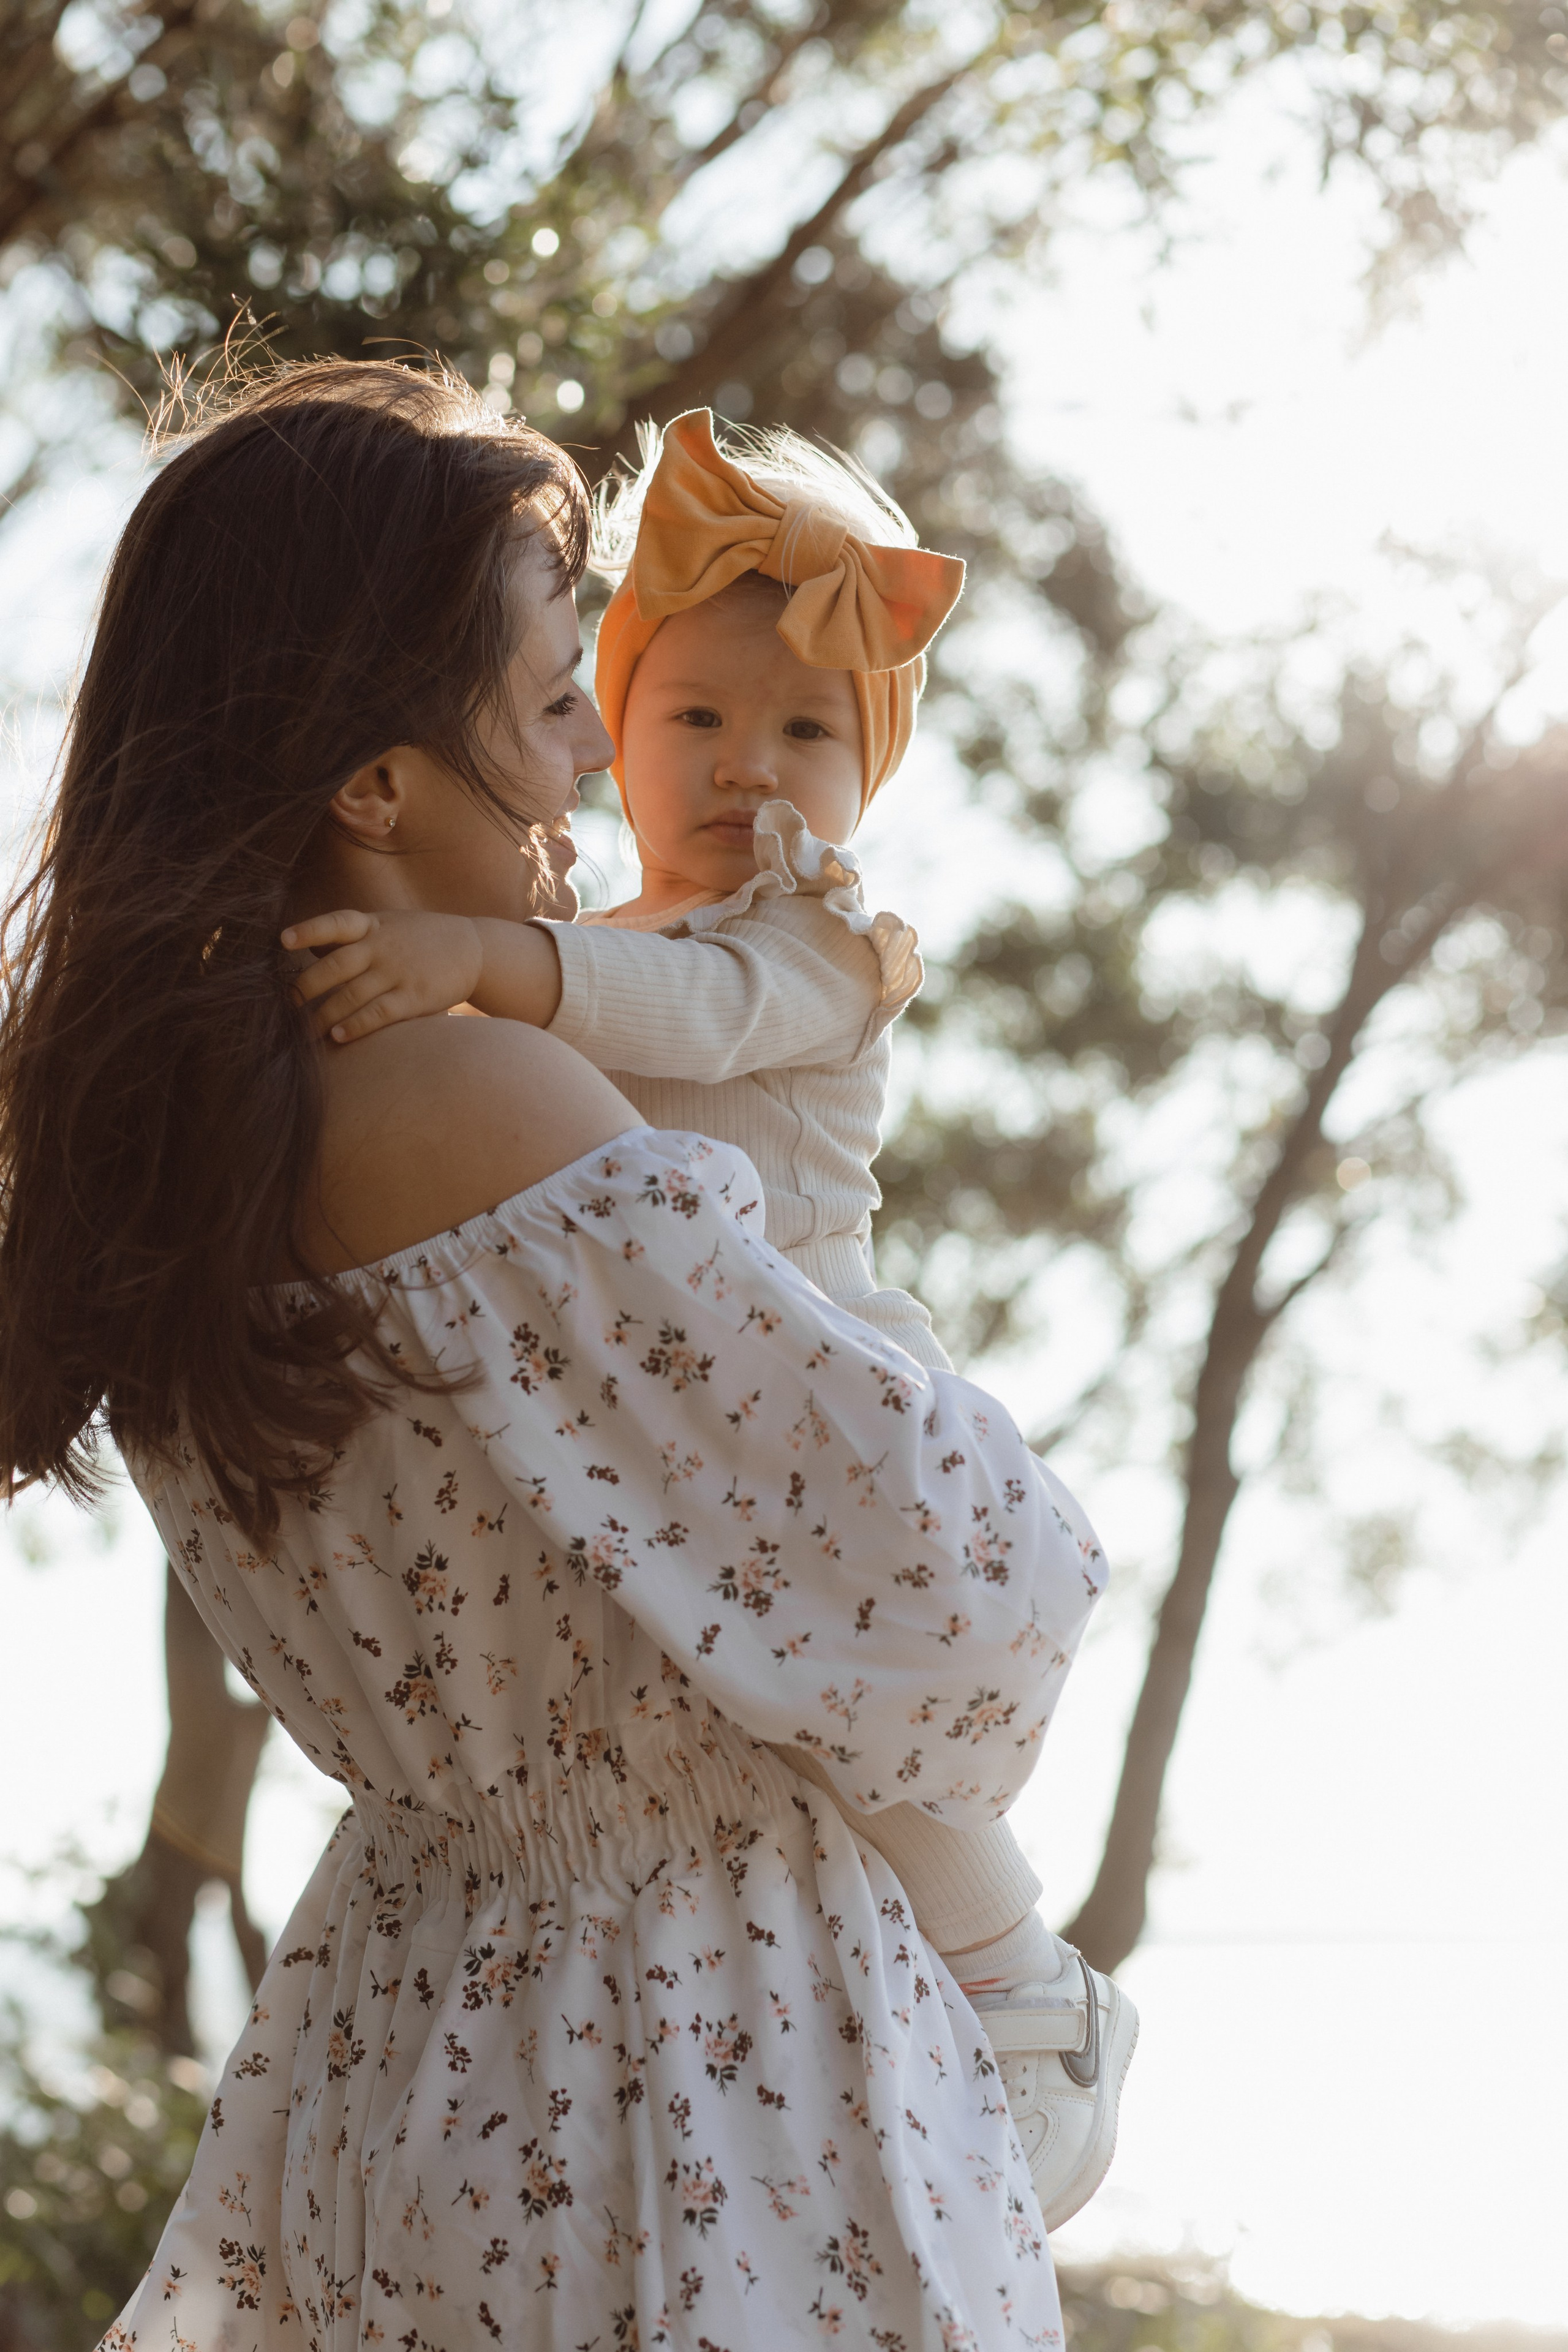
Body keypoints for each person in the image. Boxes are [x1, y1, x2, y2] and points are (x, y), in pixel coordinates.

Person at [0, 358, 1107, 2350]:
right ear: (375, 782)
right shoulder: (484, 1107)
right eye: (544, 708)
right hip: (700, 2092)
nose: (598, 770)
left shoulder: (194, 1143)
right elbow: (970, 1610)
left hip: (419, 2049)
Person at [284, 407, 1137, 2226]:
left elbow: (698, 1016)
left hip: (821, 1333)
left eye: (810, 731)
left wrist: (479, 968)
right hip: (667, 1399)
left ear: (870, 776)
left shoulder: (816, 938)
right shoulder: (592, 930)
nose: (750, 767)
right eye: (692, 718)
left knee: (851, 1718)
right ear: (617, 720)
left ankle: (1023, 1988)